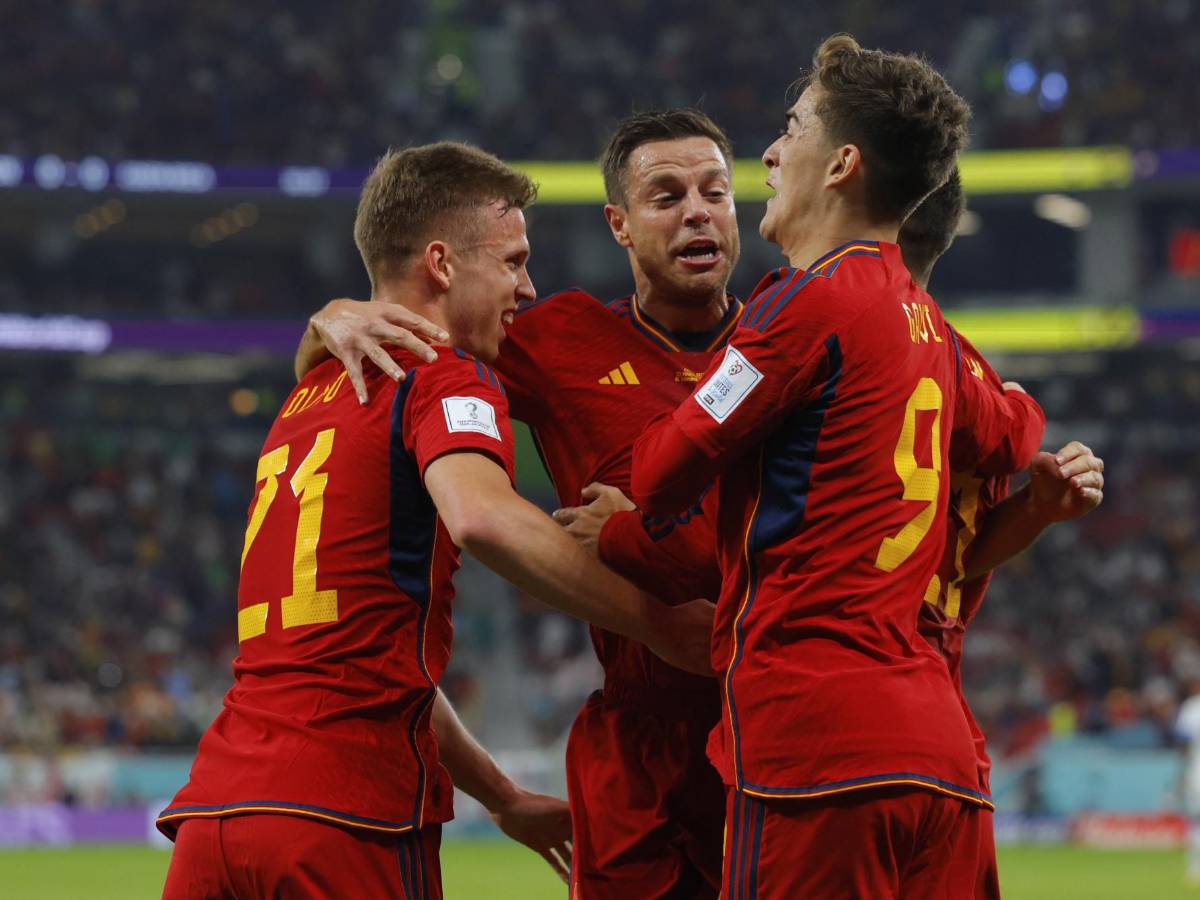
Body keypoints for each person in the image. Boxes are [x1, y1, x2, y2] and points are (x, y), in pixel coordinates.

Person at [157, 142, 712, 900]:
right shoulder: (448, 376)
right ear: (444, 266)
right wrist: (657, 622)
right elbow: (483, 519)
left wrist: (505, 798)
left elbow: (383, 672)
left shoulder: (306, 398)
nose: (528, 285)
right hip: (346, 816)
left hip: (218, 813)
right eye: (512, 262)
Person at [561, 170, 1106, 899]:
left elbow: (687, 495)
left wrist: (624, 533)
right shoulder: (953, 362)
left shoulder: (816, 314)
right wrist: (1034, 490)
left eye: (791, 141)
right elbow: (995, 471)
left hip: (823, 725)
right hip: (941, 730)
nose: (774, 166)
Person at [626, 36, 1046, 897]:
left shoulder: (803, 303)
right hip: (942, 759)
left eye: (792, 128)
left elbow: (659, 476)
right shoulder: (928, 328)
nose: (773, 153)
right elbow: (1013, 435)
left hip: (819, 748)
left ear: (842, 163)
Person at [294, 110, 743, 899]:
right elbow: (416, 340)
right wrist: (328, 320)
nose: (696, 211)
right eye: (666, 195)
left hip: (773, 709)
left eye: (715, 191)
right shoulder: (560, 337)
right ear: (621, 226)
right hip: (641, 746)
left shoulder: (791, 333)